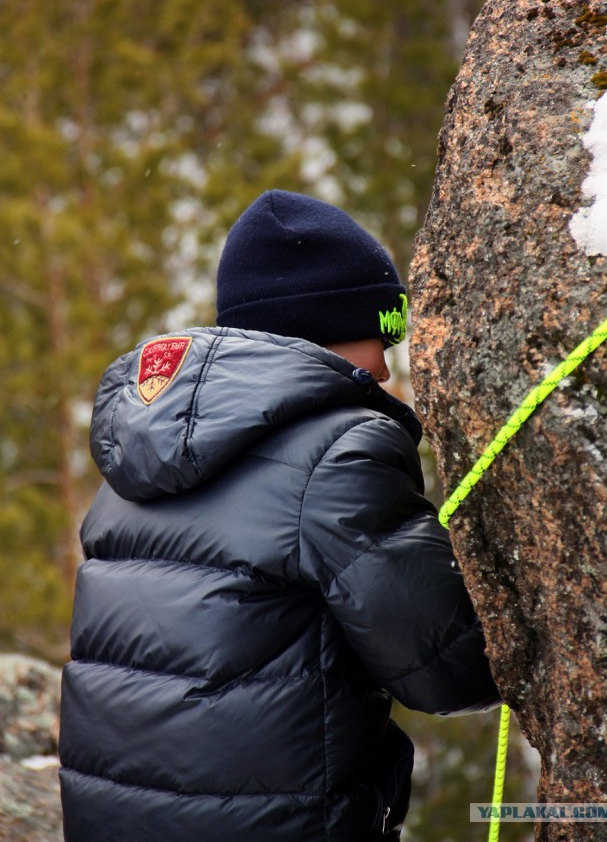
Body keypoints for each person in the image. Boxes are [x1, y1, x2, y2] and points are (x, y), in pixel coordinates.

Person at [59, 189, 499, 842]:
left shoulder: (137, 453)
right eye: (382, 332)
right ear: (321, 330)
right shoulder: (341, 450)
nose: (386, 363)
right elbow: (447, 669)